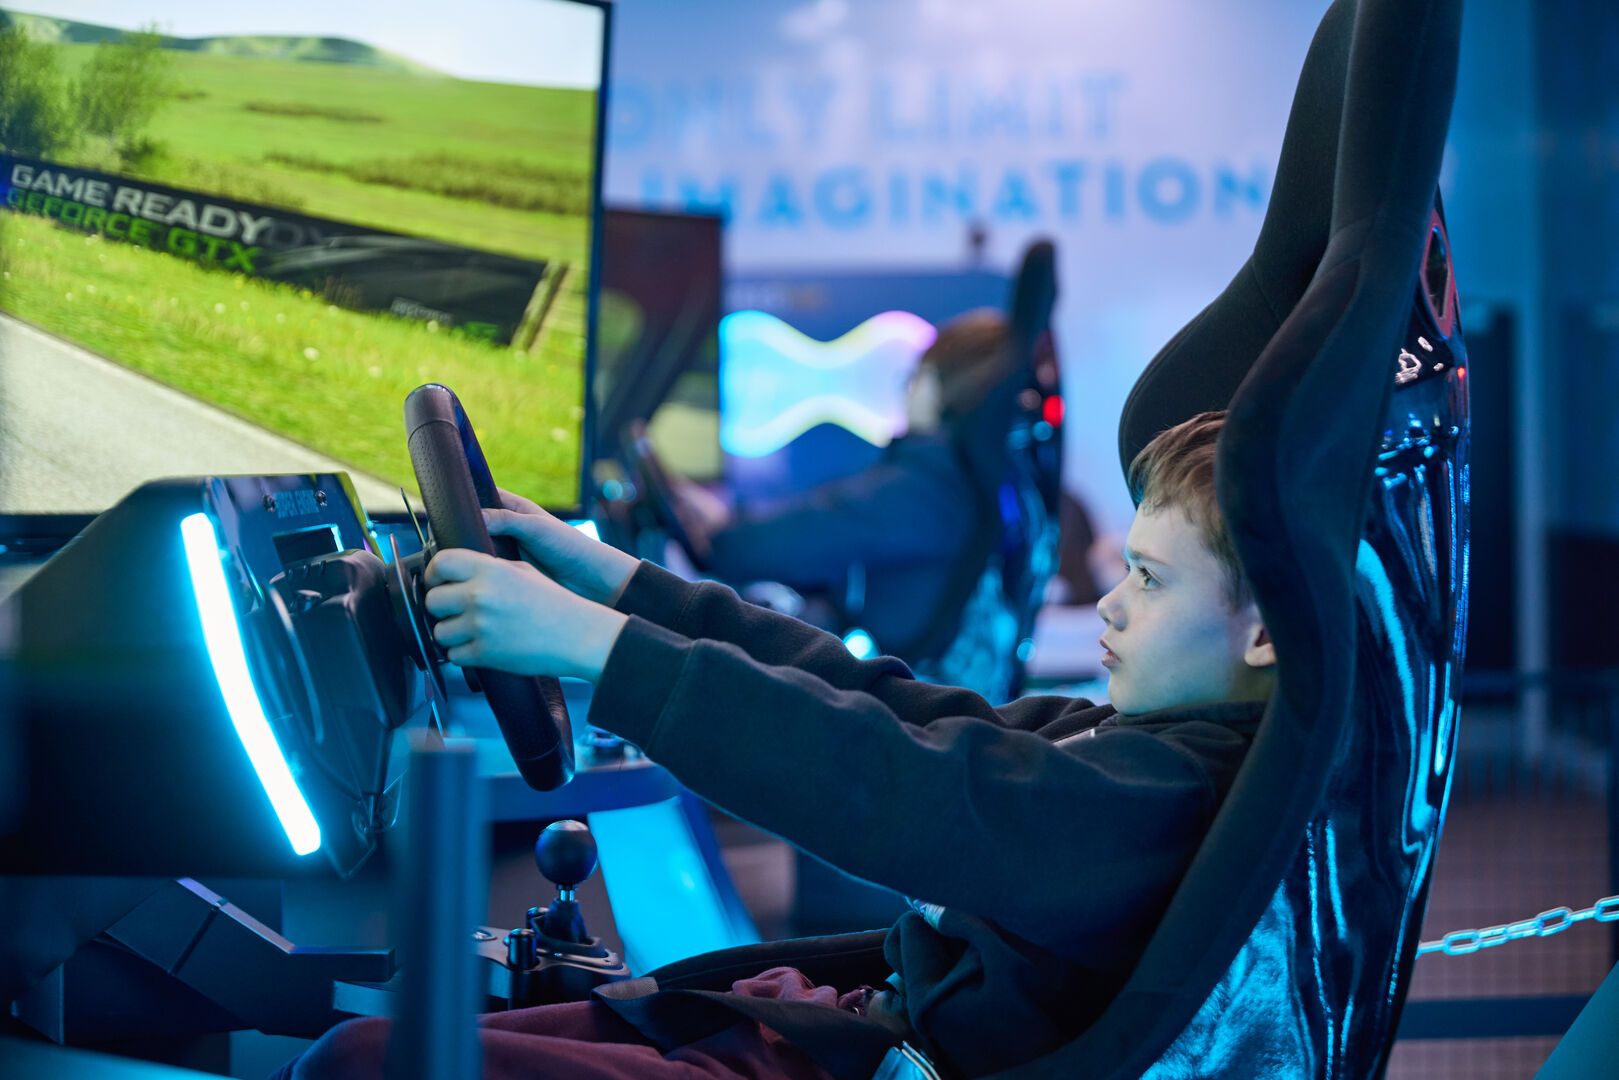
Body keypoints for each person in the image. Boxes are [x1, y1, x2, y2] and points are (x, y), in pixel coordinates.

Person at [282, 410, 1275, 1080]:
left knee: (357, 1066)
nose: (1107, 597)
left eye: (1146, 578)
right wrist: (613, 586)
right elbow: (876, 703)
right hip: (839, 1023)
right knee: (371, 1047)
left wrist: (595, 646)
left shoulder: (1158, 794)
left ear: (1264, 630)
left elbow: (885, 779)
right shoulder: (1144, 742)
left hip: (861, 1057)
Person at [666, 308, 1011, 653]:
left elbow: (803, 533)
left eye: (914, 377)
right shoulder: (972, 482)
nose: (906, 393)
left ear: (940, 386)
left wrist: (724, 532)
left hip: (887, 696)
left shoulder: (927, 487)